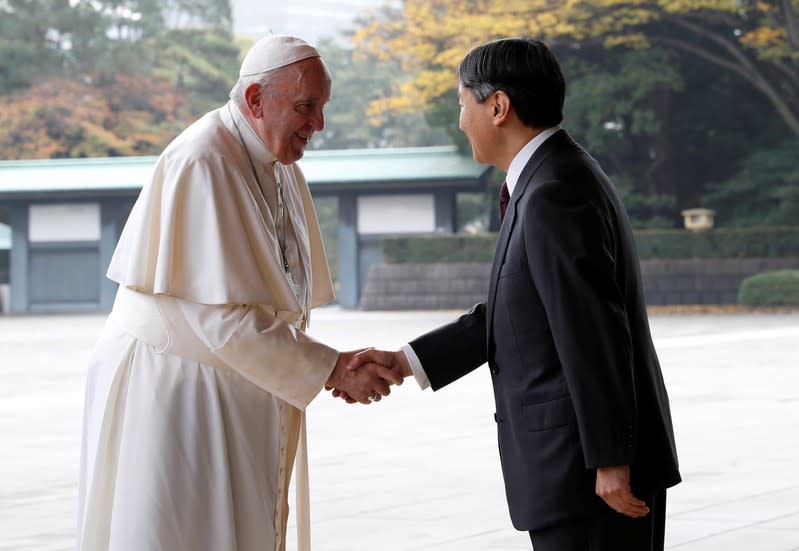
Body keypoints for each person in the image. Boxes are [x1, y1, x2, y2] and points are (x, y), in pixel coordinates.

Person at [345, 37, 681, 550]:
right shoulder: (550, 178)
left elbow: (593, 330)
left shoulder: (553, 192)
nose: (461, 120)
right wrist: (406, 360)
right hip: (577, 472)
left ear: (498, 106)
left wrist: (612, 459)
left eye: (463, 103)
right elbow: (514, 313)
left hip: (589, 478)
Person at [77, 34, 401, 551]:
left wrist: (327, 362)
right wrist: (332, 367)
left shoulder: (275, 159)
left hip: (228, 382)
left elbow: (275, 291)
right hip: (173, 389)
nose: (318, 123)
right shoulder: (203, 160)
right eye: (306, 107)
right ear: (256, 100)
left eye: (322, 107)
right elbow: (216, 317)